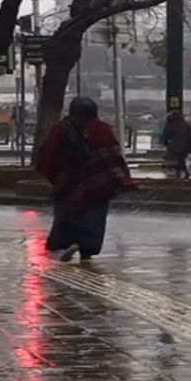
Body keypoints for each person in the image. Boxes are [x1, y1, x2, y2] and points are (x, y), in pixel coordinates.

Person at [37, 96, 136, 262]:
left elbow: (46, 154)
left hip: (67, 184)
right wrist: (120, 179)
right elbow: (113, 156)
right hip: (97, 185)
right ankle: (87, 249)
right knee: (94, 216)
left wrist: (56, 176)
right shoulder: (102, 129)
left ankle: (64, 243)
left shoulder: (60, 129)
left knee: (65, 214)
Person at [160, 110, 191, 179]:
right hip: (185, 144)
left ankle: (182, 172)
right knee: (181, 159)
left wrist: (166, 143)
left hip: (175, 144)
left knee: (179, 159)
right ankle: (181, 172)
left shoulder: (170, 124)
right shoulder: (185, 124)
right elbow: (190, 135)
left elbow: (166, 135)